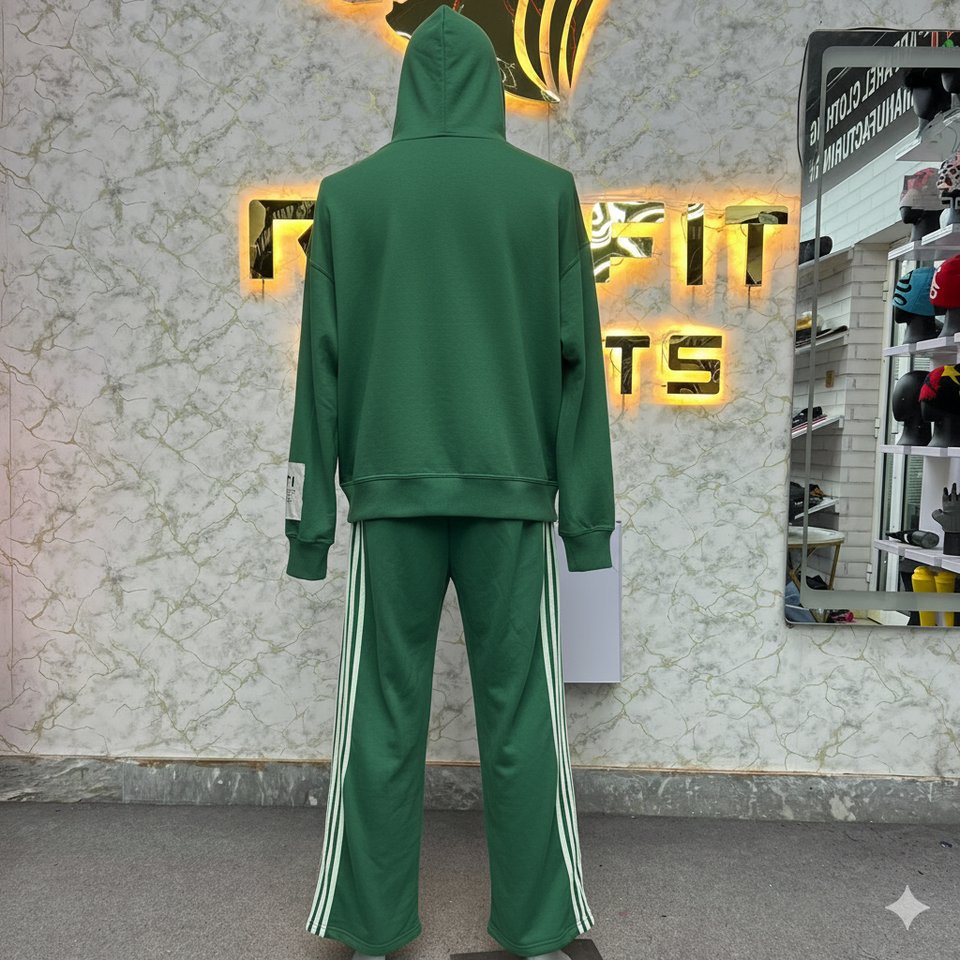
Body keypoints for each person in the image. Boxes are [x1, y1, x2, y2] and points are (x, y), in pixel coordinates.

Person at [284, 7, 614, 958]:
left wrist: (310, 522)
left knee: (380, 713)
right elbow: (581, 370)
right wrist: (587, 522)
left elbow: (318, 372)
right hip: (512, 496)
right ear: (490, 80)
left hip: (390, 498)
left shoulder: (347, 197)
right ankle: (540, 927)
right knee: (523, 714)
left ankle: (370, 927)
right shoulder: (545, 193)